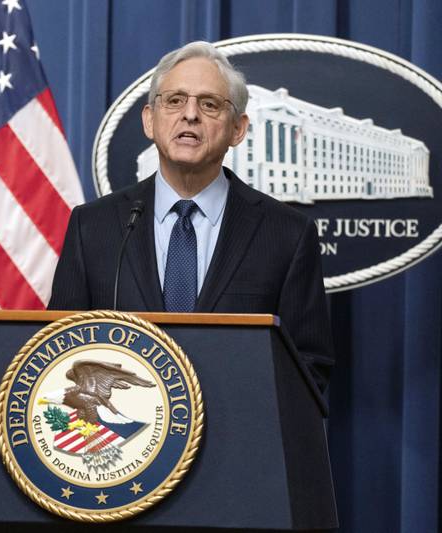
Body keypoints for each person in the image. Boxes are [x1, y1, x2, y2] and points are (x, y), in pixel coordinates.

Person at [48, 41, 333, 393]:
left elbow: (309, 370)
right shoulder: (92, 227)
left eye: (210, 104)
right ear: (150, 120)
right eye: (175, 100)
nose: (191, 114)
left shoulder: (287, 234)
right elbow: (59, 353)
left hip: (237, 442)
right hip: (123, 439)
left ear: (237, 129)